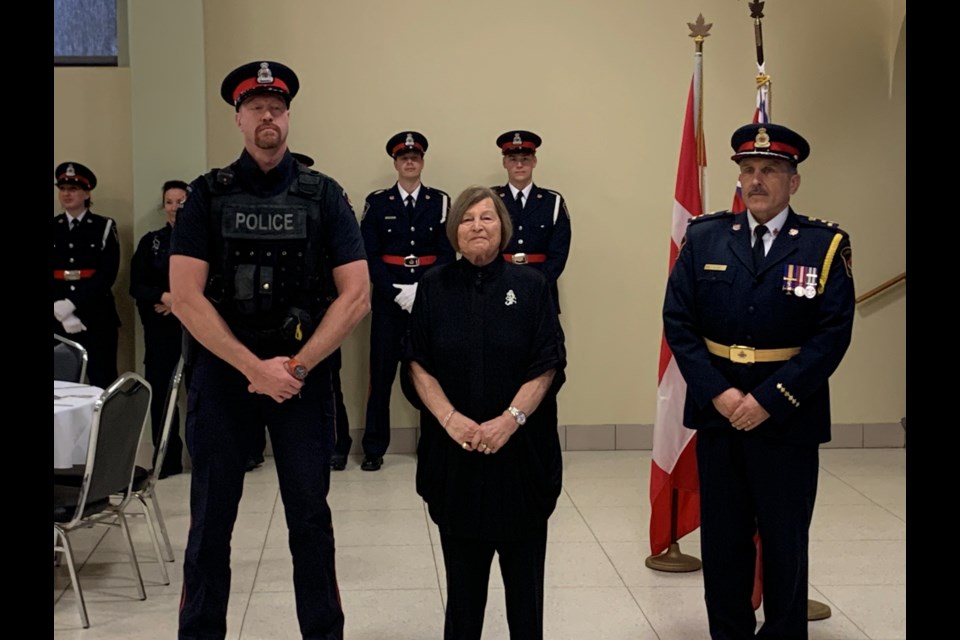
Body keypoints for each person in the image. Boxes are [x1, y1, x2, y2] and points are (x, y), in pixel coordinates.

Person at [169, 60, 370, 640]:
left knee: (310, 520)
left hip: (300, 380)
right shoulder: (207, 195)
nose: (268, 117)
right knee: (210, 523)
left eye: (276, 109)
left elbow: (355, 296)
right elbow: (185, 297)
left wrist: (295, 367)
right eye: (256, 108)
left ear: (288, 117)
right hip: (227, 378)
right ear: (238, 118)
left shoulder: (324, 195)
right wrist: (252, 367)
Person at [662, 123, 855, 640]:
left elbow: (831, 336)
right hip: (720, 415)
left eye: (770, 170)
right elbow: (678, 324)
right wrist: (720, 394)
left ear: (794, 181)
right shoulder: (705, 236)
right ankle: (729, 632)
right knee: (723, 540)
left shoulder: (825, 245)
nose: (756, 180)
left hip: (788, 417)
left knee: (785, 539)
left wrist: (770, 399)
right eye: (748, 170)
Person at [401, 185, 566, 639]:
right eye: (468, 218)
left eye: (487, 218)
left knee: (525, 602)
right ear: (454, 229)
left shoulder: (531, 286)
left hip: (521, 465)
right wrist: (452, 420)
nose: (477, 226)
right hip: (457, 464)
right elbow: (416, 362)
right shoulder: (433, 286)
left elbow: (548, 363)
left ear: (503, 229)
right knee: (463, 599)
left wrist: (509, 420)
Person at [351, 131, 454, 472]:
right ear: (395, 163)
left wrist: (421, 290)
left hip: (427, 302)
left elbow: (445, 253)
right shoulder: (378, 203)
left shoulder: (439, 201)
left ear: (422, 162)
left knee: (430, 375)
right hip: (387, 301)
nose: (410, 162)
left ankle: (433, 444)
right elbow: (369, 253)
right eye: (403, 158)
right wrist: (395, 291)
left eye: (415, 157)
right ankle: (373, 447)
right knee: (380, 376)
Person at [244, 152, 353, 474]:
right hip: (271, 319)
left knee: (329, 385)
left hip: (318, 316)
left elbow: (344, 265)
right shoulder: (263, 210)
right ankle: (254, 448)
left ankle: (337, 445)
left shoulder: (327, 206)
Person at [130, 180, 189, 478]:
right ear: (163, 205)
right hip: (161, 330)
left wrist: (179, 304)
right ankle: (167, 460)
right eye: (169, 201)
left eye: (181, 201)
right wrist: (164, 297)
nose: (175, 207)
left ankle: (207, 458)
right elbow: (136, 286)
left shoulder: (203, 240)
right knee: (163, 396)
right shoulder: (150, 242)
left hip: (196, 327)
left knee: (204, 395)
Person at [53, 161, 121, 389]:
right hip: (57, 318)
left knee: (102, 382)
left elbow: (107, 273)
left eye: (72, 189)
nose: (66, 194)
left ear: (86, 192)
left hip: (96, 317)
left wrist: (72, 304)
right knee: (60, 386)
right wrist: (60, 309)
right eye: (62, 189)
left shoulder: (103, 226)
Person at [492, 130, 572, 312]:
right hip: (497, 287)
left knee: (545, 340)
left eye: (525, 159)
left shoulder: (552, 202)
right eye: (513, 159)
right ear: (504, 163)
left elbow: (559, 253)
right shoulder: (492, 200)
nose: (519, 165)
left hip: (541, 290)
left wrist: (538, 284)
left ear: (534, 161)